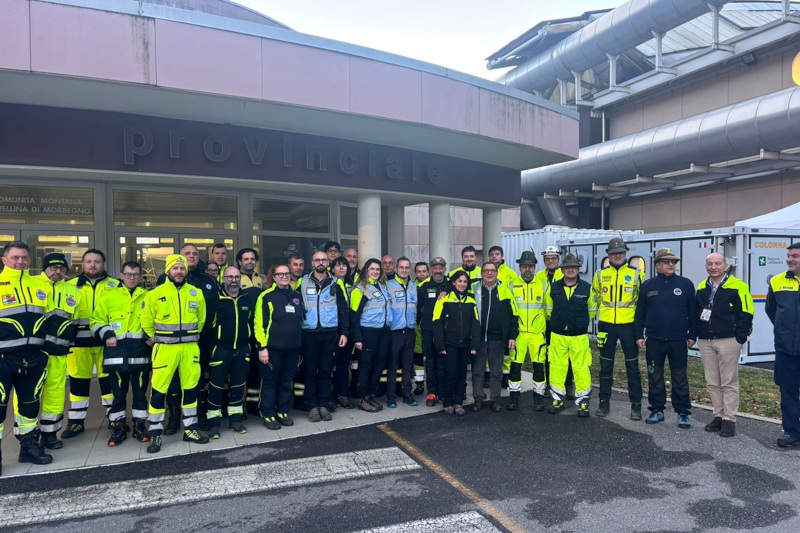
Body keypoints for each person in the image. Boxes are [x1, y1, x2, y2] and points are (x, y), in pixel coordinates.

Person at [141, 254, 209, 453]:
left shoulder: (196, 293)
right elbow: (145, 320)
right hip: (165, 349)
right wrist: (157, 338)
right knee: (159, 390)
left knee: (190, 389)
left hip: (189, 349)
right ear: (168, 271)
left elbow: (201, 319)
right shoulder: (154, 294)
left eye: (182, 268)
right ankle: (155, 433)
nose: (179, 271)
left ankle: (190, 428)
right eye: (175, 268)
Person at [0, 241, 54, 470]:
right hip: (3, 357)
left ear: (30, 260)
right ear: (4, 260)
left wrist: (45, 351)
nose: (20, 262)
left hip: (33, 356)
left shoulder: (42, 286)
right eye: (15, 258)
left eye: (24, 258)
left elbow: (50, 319)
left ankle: (29, 447)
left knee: (30, 406)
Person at [634, 248, 697, 429]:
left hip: (678, 340)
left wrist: (692, 335)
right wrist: (639, 334)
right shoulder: (648, 285)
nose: (671, 265)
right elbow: (640, 313)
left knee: (679, 377)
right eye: (667, 262)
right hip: (654, 339)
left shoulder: (685, 284)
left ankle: (683, 412)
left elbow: (692, 313)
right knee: (655, 376)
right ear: (658, 265)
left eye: (674, 262)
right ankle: (657, 410)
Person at [90, 261, 150, 446]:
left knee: (140, 393)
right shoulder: (109, 296)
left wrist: (151, 336)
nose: (132, 278)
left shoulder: (147, 296)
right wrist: (107, 333)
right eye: (128, 274)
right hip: (116, 354)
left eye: (136, 274)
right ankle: (119, 426)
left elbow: (155, 319)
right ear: (121, 275)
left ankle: (139, 425)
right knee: (118, 394)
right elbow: (95, 320)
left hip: (140, 353)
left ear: (140, 277)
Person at [696, 252, 753, 438]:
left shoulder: (738, 286)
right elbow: (697, 311)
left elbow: (747, 312)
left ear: (725, 265)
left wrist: (740, 338)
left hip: (728, 340)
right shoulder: (701, 287)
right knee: (712, 381)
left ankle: (729, 419)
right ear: (705, 266)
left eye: (717, 263)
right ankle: (718, 415)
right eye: (710, 264)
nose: (714, 267)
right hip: (705, 340)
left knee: (728, 381)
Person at [62, 249, 116, 438]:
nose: (93, 265)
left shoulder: (116, 285)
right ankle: (76, 422)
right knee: (78, 384)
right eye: (89, 261)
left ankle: (114, 419)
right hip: (77, 345)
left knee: (108, 384)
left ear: (104, 264)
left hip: (107, 344)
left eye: (97, 261)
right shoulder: (69, 285)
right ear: (83, 264)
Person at [592, 238, 644, 420]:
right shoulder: (599, 274)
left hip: (629, 326)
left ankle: (636, 406)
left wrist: (640, 327)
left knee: (633, 367)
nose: (617, 255)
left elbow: (641, 302)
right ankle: (603, 403)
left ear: (625, 253)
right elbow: (595, 299)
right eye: (614, 253)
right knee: (605, 366)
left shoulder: (637, 274)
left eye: (620, 252)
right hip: (606, 326)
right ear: (609, 255)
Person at [34, 253, 81, 450]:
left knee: (55, 393)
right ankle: (27, 439)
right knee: (29, 395)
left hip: (59, 353)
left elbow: (74, 321)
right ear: (44, 267)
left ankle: (49, 433)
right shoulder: (32, 284)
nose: (57, 271)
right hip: (33, 353)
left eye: (61, 268)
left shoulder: (73, 291)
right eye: (53, 267)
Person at [545, 253, 597, 418]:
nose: (570, 270)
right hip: (558, 335)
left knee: (581, 369)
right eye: (567, 267)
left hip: (579, 336)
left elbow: (592, 311)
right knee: (557, 368)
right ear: (562, 270)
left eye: (573, 267)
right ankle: (557, 400)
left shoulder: (587, 288)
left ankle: (583, 403)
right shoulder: (553, 287)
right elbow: (548, 310)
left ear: (578, 269)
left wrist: (578, 323)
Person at [299, 251, 349, 422]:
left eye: (324, 260)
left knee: (326, 371)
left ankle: (324, 404)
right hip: (309, 333)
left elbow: (343, 310)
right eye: (317, 260)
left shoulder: (336, 283)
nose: (321, 262)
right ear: (312, 262)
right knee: (310, 371)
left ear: (329, 262)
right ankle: (312, 406)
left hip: (330, 334)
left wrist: (344, 333)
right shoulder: (302, 282)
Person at [255, 264, 304, 430]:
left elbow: (301, 320)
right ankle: (268, 413)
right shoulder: (266, 296)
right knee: (270, 382)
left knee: (285, 382)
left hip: (292, 349)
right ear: (273, 276)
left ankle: (283, 411)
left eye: (286, 273)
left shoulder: (296, 295)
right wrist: (262, 347)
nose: (284, 276)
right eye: (280, 274)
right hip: (272, 349)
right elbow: (259, 324)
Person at [206, 267, 253, 439]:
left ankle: (235, 420)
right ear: (223, 278)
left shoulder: (246, 298)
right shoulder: (215, 298)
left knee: (238, 387)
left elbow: (251, 323)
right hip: (220, 350)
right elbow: (207, 325)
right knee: (216, 387)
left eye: (236, 277)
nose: (233, 280)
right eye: (230, 277)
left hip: (242, 349)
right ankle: (214, 423)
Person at [765, 242, 800, 447]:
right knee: (788, 391)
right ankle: (792, 432)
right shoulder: (777, 281)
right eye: (789, 256)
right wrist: (784, 332)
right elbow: (772, 311)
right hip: (786, 349)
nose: (790, 259)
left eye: (795, 256)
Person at [471, 262, 518, 412]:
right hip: (478, 338)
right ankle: (478, 399)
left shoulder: (505, 289)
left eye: (492, 270)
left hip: (497, 338)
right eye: (486, 270)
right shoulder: (474, 288)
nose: (489, 273)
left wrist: (512, 335)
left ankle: (495, 400)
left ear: (497, 273)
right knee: (477, 371)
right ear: (482, 273)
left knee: (496, 371)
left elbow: (514, 314)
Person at [432, 270, 480, 416]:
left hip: (465, 345)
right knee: (450, 374)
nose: (462, 284)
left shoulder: (471, 301)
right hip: (449, 345)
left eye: (465, 282)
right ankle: (447, 402)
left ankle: (458, 402)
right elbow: (436, 323)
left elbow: (476, 324)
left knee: (462, 374)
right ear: (453, 282)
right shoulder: (443, 300)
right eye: (459, 281)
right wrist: (440, 345)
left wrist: (474, 345)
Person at [350, 258, 393, 412]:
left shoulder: (381, 286)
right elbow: (354, 316)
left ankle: (370, 395)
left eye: (377, 269)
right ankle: (362, 398)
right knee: (365, 366)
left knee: (379, 365)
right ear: (366, 270)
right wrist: (358, 338)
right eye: (372, 269)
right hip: (368, 332)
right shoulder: (360, 289)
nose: (375, 272)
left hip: (383, 332)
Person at [509, 251, 548, 411]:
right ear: (520, 267)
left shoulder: (543, 284)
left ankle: (538, 398)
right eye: (524, 266)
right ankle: (514, 398)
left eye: (530, 266)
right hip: (519, 334)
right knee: (515, 366)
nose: (527, 269)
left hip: (537, 334)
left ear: (534, 267)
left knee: (539, 367)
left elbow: (550, 309)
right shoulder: (512, 285)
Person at [386, 257, 419, 407]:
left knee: (407, 366)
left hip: (410, 331)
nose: (404, 270)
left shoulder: (413, 286)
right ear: (396, 269)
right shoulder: (388, 285)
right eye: (401, 267)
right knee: (392, 366)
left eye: (407, 267)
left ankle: (407, 394)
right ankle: (391, 396)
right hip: (395, 332)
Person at [417, 257, 449, 406]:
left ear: (444, 269)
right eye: (435, 268)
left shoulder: (450, 285)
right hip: (428, 331)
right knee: (430, 361)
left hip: (446, 332)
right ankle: (432, 393)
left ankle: (443, 391)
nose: (438, 271)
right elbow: (418, 309)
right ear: (431, 270)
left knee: (443, 362)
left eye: (440, 268)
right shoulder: (423, 286)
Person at [330, 256, 355, 409]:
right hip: (333, 329)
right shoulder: (329, 284)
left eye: (344, 265)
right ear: (332, 269)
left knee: (343, 365)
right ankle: (329, 396)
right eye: (338, 266)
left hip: (348, 330)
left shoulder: (353, 285)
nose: (341, 268)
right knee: (328, 365)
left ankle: (342, 394)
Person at [411, 261, 429, 395]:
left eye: (424, 271)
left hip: (431, 328)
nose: (422, 274)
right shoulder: (412, 286)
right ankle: (419, 384)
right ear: (415, 273)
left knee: (432, 358)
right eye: (419, 271)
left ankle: (434, 385)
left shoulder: (433, 285)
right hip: (416, 327)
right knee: (417, 357)